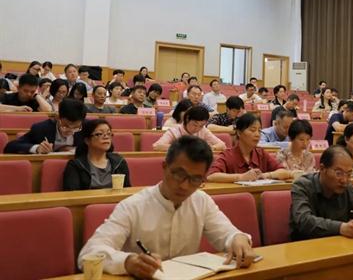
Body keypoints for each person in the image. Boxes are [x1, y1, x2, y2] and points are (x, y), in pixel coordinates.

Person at [78, 135, 256, 277]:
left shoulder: (201, 201)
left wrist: (237, 238)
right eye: (179, 174)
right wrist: (128, 262)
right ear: (164, 167)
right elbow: (89, 253)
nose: (185, 186)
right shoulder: (133, 206)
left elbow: (226, 233)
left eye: (195, 179)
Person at [207, 113, 291, 183]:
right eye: (252, 130)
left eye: (259, 130)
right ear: (239, 133)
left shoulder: (261, 153)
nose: (257, 134)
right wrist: (241, 177)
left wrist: (265, 175)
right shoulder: (227, 155)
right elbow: (211, 176)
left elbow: (284, 172)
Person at [63, 119, 130, 190]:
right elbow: (72, 194)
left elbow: (128, 191)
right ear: (87, 140)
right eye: (99, 134)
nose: (106, 137)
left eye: (109, 133)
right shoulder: (76, 165)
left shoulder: (119, 162)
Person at [4, 99, 86, 154]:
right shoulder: (41, 128)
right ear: (57, 117)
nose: (70, 131)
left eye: (76, 128)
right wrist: (37, 148)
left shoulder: (88, 127)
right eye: (65, 126)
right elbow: (10, 147)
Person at [153, 106, 226, 152]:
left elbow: (222, 145)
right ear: (187, 119)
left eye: (201, 125)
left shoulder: (203, 130)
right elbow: (157, 146)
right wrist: (184, 148)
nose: (197, 128)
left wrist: (212, 148)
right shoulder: (174, 130)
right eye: (195, 125)